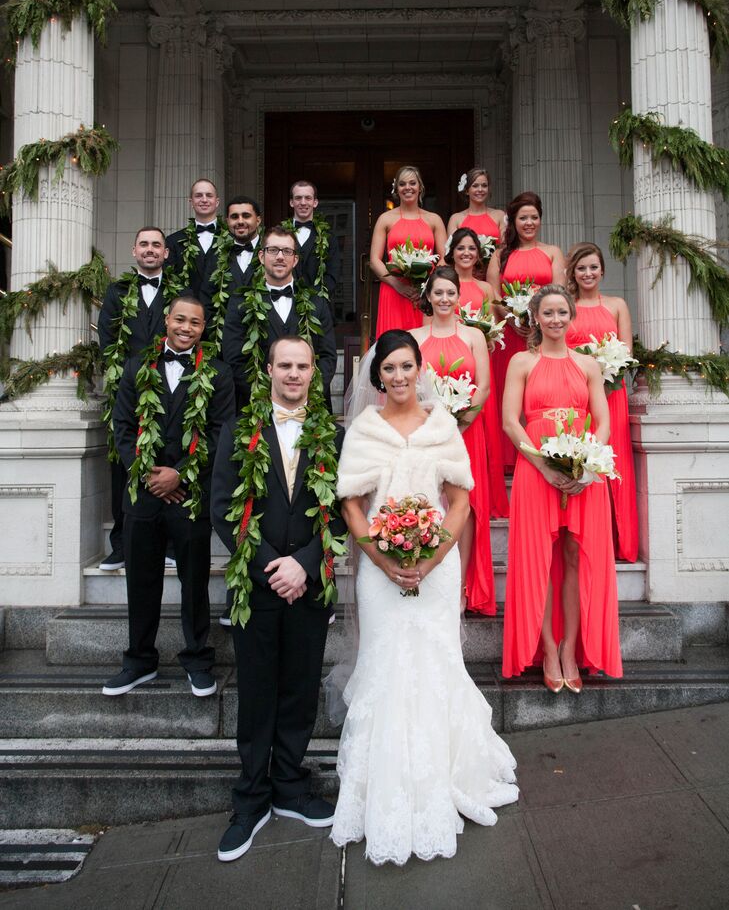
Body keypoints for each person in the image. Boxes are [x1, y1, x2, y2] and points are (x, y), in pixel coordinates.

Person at [332, 330, 518, 865]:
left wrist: (432, 558)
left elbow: (459, 502)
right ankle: (380, 786)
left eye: (406, 366)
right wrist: (385, 559)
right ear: (377, 377)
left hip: (436, 564)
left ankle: (448, 774)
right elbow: (351, 504)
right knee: (386, 664)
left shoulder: (442, 426)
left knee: (437, 660)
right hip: (378, 566)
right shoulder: (364, 429)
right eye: (388, 369)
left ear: (420, 369)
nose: (398, 376)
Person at [211, 336, 345, 861]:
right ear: (268, 370)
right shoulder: (238, 431)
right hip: (258, 583)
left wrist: (305, 565)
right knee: (259, 689)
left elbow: (340, 507)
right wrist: (274, 565)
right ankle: (252, 798)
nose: (293, 374)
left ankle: (290, 784)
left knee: (299, 686)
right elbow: (225, 507)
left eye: (302, 366)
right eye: (284, 365)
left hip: (309, 585)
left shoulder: (330, 434)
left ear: (315, 373)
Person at [102, 295, 235, 698]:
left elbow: (221, 432)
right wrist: (148, 475)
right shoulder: (135, 367)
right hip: (143, 497)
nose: (186, 327)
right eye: (180, 319)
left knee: (194, 583)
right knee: (141, 581)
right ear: (166, 320)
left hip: (191, 497)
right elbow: (123, 428)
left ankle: (197, 660)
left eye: (195, 322)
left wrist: (180, 473)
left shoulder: (218, 373)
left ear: (203, 327)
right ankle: (139, 660)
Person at [501, 285, 623, 691]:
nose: (556, 320)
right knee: (539, 561)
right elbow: (510, 422)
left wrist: (587, 464)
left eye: (562, 313)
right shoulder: (521, 361)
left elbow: (602, 421)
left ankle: (572, 648)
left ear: (572, 317)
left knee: (573, 557)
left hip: (583, 472)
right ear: (535, 317)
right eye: (548, 313)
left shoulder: (588, 364)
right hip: (537, 471)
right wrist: (542, 466)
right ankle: (548, 649)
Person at [409, 267, 495, 616]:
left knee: (467, 508)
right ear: (428, 297)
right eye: (438, 293)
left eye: (450, 292)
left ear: (459, 296)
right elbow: (410, 388)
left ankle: (460, 585)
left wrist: (460, 425)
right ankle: (429, 579)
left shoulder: (474, 335)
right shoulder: (414, 336)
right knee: (431, 502)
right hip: (427, 434)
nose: (444, 299)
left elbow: (484, 386)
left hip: (466, 433)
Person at [97, 226, 170, 570]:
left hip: (171, 390)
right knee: (122, 464)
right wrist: (132, 377)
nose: (151, 249)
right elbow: (108, 339)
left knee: (166, 457)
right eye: (145, 244)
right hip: (128, 392)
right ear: (134, 251)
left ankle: (168, 543)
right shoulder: (117, 291)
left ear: (166, 253)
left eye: (157, 245)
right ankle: (121, 543)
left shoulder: (178, 291)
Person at [565, 242, 639, 562]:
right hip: (577, 396)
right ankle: (588, 535)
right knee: (582, 459)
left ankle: (619, 538)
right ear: (574, 273)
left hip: (612, 395)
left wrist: (608, 376)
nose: (588, 273)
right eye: (581, 268)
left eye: (593, 267)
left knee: (612, 461)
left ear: (603, 270)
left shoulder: (617, 305)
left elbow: (626, 353)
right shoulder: (567, 307)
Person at [486, 191, 566, 471]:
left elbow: (558, 292)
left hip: (544, 334)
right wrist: (512, 321)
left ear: (540, 220)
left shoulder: (553, 252)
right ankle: (509, 460)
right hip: (511, 336)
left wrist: (537, 321)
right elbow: (493, 295)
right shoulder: (500, 256)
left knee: (539, 395)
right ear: (513, 222)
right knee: (510, 398)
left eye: (534, 217)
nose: (529, 223)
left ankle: (543, 450)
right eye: (523, 218)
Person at [222, 224, 337, 411]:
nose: (280, 257)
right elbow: (234, 358)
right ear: (261, 256)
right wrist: (270, 396)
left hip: (311, 409)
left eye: (287, 251)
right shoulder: (240, 303)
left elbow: (328, 356)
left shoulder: (317, 302)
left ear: (295, 259)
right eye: (273, 250)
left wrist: (305, 392)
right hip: (256, 408)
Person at [446, 228, 509, 519]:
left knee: (481, 432)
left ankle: (486, 493)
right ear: (452, 252)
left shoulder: (485, 289)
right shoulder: (443, 285)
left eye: (471, 248)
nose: (466, 253)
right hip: (449, 366)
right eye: (461, 248)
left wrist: (489, 337)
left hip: (477, 368)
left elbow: (497, 327)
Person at [370, 165, 446, 337]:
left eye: (413, 183)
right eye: (403, 184)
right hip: (393, 291)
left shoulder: (434, 220)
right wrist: (398, 286)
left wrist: (428, 288)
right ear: (396, 188)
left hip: (425, 293)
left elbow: (444, 259)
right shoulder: (386, 219)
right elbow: (375, 259)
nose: (408, 188)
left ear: (420, 187)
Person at [165, 178, 225, 307]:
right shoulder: (172, 241)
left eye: (209, 195)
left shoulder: (231, 240)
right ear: (191, 202)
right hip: (186, 314)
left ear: (217, 202)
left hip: (222, 317)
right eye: (198, 195)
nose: (204, 200)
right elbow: (169, 279)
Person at [288, 180, 341, 302]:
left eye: (308, 198)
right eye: (298, 198)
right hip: (285, 305)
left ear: (315, 202)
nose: (303, 202)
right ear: (291, 202)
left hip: (319, 308)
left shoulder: (328, 237)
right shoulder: (279, 234)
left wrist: (314, 301)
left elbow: (333, 275)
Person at [446, 166, 505, 255]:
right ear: (466, 190)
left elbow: (505, 247)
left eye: (484, 185)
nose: (480, 189)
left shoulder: (499, 215)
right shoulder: (456, 219)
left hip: (495, 267)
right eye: (475, 186)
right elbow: (452, 252)